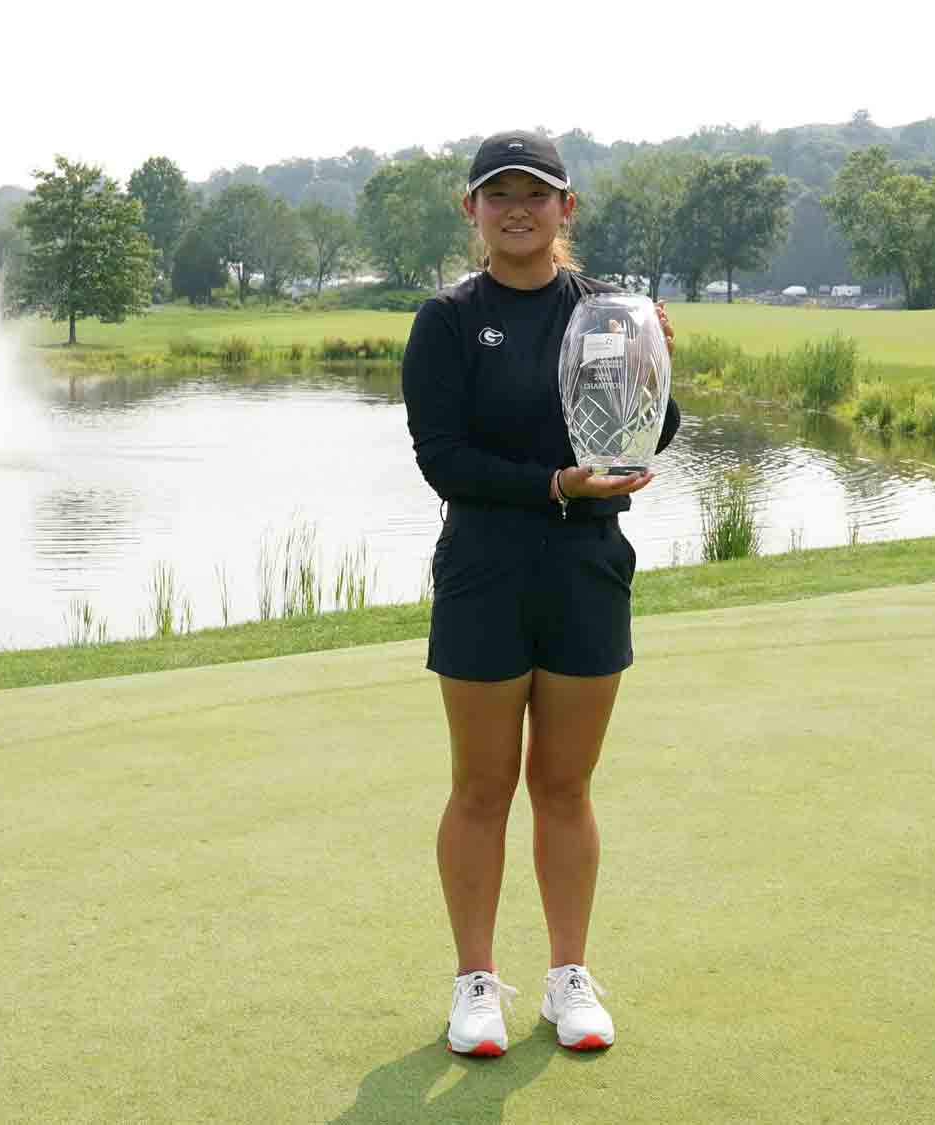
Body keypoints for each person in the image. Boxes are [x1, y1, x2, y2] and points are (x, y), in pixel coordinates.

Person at [400, 130, 680, 1057]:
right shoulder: (447, 320)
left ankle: (569, 979)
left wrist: (656, 361)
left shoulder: (607, 312)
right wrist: (551, 484)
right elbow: (441, 458)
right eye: (497, 194)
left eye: (537, 193)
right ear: (472, 210)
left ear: (567, 209)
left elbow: (646, 433)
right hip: (484, 567)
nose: (516, 207)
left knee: (564, 784)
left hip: (585, 567)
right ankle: (474, 984)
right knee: (481, 786)